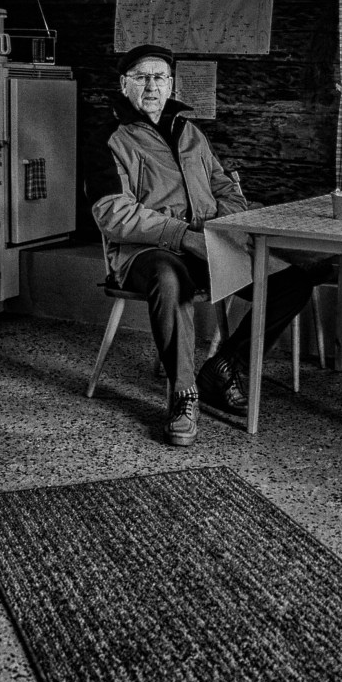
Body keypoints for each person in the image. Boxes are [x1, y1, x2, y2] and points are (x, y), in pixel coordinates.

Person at [84, 43, 324, 448]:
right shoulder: (109, 139)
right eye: (141, 77)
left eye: (160, 77)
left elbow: (225, 189)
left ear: (171, 84)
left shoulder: (190, 133)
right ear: (124, 84)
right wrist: (183, 236)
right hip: (144, 252)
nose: (152, 86)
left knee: (291, 283)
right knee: (168, 277)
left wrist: (218, 226)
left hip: (207, 244)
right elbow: (113, 214)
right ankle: (183, 394)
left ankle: (224, 367)